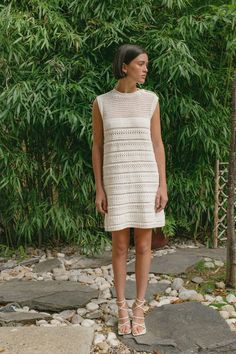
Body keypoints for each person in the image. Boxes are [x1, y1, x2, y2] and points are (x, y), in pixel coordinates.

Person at [92, 44, 168, 336]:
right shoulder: (101, 103)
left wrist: (162, 183)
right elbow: (97, 146)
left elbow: (157, 143)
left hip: (145, 179)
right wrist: (100, 188)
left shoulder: (151, 100)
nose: (146, 69)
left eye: (147, 64)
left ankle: (139, 306)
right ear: (124, 66)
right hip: (116, 180)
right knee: (120, 246)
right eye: (141, 63)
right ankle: (121, 306)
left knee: (145, 246)